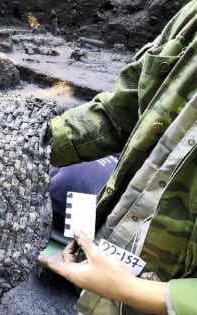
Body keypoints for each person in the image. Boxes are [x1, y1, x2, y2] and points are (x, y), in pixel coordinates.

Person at [38, 1, 196, 314]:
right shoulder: (192, 20)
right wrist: (29, 141)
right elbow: (117, 114)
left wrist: (129, 289)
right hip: (105, 281)